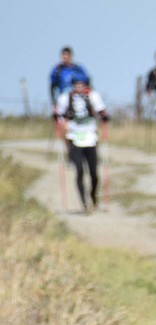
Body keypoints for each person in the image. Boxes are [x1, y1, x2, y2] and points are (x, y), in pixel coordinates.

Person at [55, 76, 109, 212]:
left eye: (81, 85)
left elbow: (102, 112)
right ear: (73, 86)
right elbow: (58, 115)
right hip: (74, 138)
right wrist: (61, 124)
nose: (79, 87)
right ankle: (84, 203)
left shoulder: (93, 96)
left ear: (85, 85)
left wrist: (104, 118)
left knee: (94, 173)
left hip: (90, 138)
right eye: (76, 85)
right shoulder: (65, 98)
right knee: (79, 171)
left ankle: (93, 196)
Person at [49, 47, 89, 112]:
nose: (65, 57)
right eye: (63, 55)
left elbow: (87, 82)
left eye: (67, 55)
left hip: (78, 97)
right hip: (64, 97)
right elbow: (52, 87)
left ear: (71, 56)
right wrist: (54, 103)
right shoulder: (57, 70)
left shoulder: (78, 68)